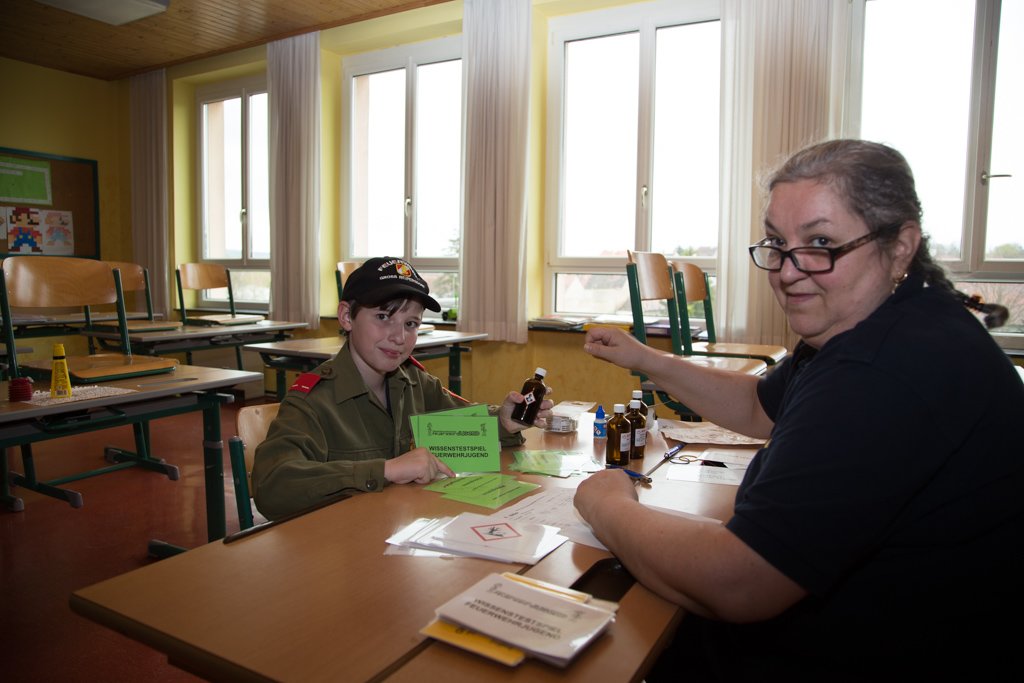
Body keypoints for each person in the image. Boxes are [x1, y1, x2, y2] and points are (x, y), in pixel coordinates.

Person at [575, 140, 1024, 679]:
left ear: (901, 246)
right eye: (777, 243)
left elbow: (739, 583)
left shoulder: (882, 369)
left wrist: (606, 502)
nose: (788, 271)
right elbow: (758, 406)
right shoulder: (882, 323)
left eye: (821, 242)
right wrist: (648, 359)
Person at [252, 256, 552, 521]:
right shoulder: (313, 401)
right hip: (340, 547)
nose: (399, 337)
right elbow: (272, 487)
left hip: (401, 530)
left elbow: (466, 428)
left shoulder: (415, 382)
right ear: (346, 316)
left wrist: (503, 422)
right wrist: (387, 469)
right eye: (383, 317)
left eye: (411, 324)